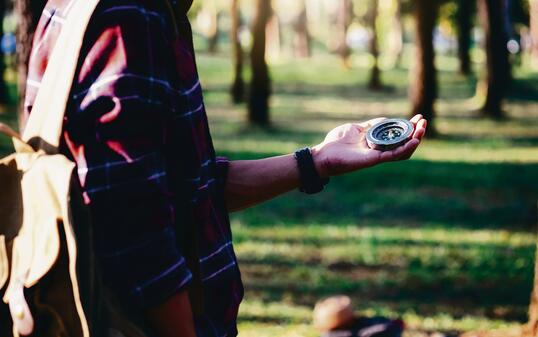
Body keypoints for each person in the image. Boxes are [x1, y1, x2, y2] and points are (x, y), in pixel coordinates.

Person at [23, 0, 427, 336]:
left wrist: (317, 160)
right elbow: (131, 215)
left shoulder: (82, 8)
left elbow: (179, 188)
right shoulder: (133, 16)